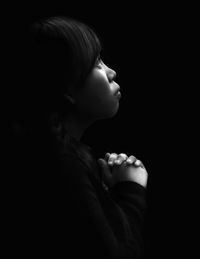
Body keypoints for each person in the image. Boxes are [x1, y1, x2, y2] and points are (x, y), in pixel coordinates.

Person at [7, 16, 148, 258]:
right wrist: (132, 188)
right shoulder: (63, 165)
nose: (112, 72)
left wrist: (109, 196)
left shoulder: (68, 154)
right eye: (96, 64)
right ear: (67, 89)